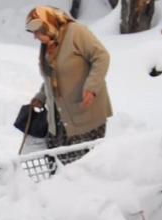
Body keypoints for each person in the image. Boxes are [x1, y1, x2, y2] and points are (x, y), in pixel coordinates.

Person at [23, 6, 112, 162]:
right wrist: (42, 96)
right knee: (59, 171)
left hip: (83, 117)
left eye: (37, 31)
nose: (35, 37)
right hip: (58, 121)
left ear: (48, 23)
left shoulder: (76, 32)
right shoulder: (49, 44)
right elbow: (52, 77)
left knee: (82, 169)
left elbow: (101, 57)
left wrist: (91, 88)